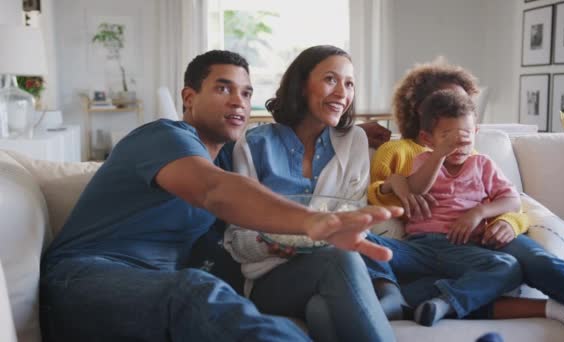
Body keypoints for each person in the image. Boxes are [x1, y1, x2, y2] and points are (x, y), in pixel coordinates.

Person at [38, 50, 402, 342]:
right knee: (198, 291)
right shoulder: (164, 137)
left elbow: (259, 176)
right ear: (189, 97)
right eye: (223, 88)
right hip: (84, 281)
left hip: (153, 291)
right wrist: (313, 221)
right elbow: (215, 191)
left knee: (210, 291)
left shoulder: (226, 158)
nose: (238, 102)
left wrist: (348, 129)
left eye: (246, 93)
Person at [368, 59, 564, 341]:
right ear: (422, 112)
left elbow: (512, 199)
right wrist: (397, 182)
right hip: (425, 243)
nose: (457, 139)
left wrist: (499, 218)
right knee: (362, 248)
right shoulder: (404, 152)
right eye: (446, 103)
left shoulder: (479, 160)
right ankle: (400, 295)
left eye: (465, 102)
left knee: (523, 264)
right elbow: (380, 192)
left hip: (479, 238)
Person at [222, 45, 394, 342]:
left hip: (334, 274)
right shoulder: (254, 145)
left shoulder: (354, 141)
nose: (343, 93)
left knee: (321, 311)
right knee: (340, 259)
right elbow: (236, 240)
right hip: (270, 279)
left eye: (349, 84)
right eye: (331, 79)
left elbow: (356, 221)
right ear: (302, 86)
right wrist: (273, 242)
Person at [373, 89, 524, 327]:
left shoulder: (483, 165)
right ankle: (393, 294)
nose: (458, 144)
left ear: (475, 133)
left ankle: (444, 303)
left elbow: (513, 201)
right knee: (358, 239)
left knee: (508, 265)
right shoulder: (424, 161)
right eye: (447, 136)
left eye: (465, 135)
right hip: (419, 247)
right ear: (427, 138)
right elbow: (418, 188)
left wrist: (479, 212)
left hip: (462, 250)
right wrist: (440, 154)